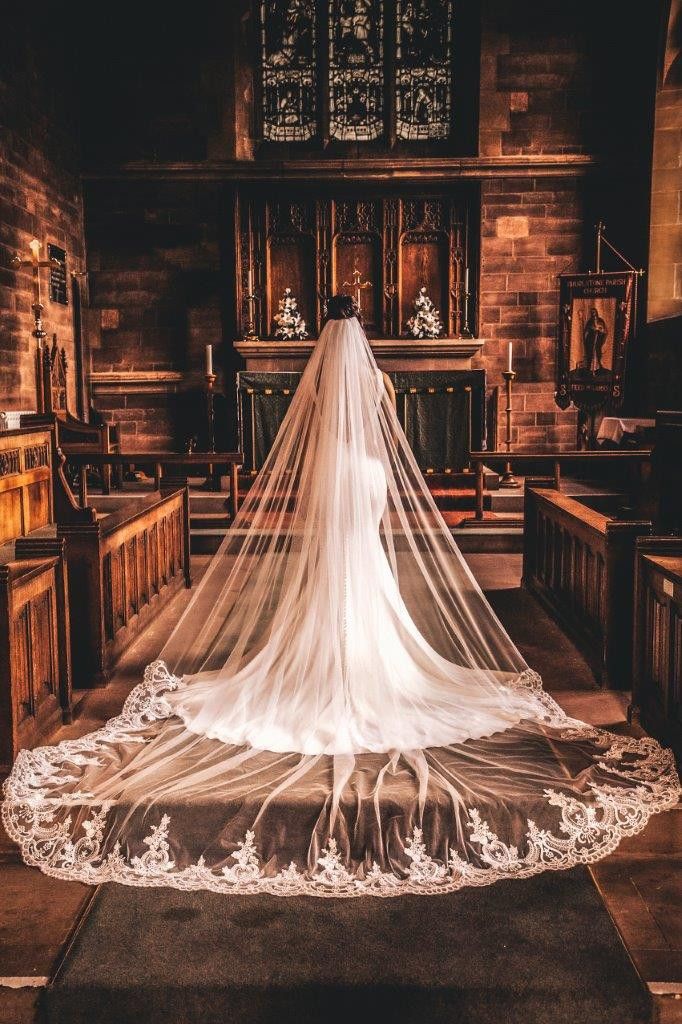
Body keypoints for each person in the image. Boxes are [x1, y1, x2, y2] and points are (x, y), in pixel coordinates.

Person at [3, 296, 678, 896]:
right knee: (366, 554)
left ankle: (325, 652)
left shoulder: (315, 384)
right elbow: (383, 431)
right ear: (361, 332)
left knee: (332, 557)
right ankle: (373, 660)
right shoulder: (379, 381)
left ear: (322, 332)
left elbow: (312, 446)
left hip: (334, 478)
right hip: (367, 476)